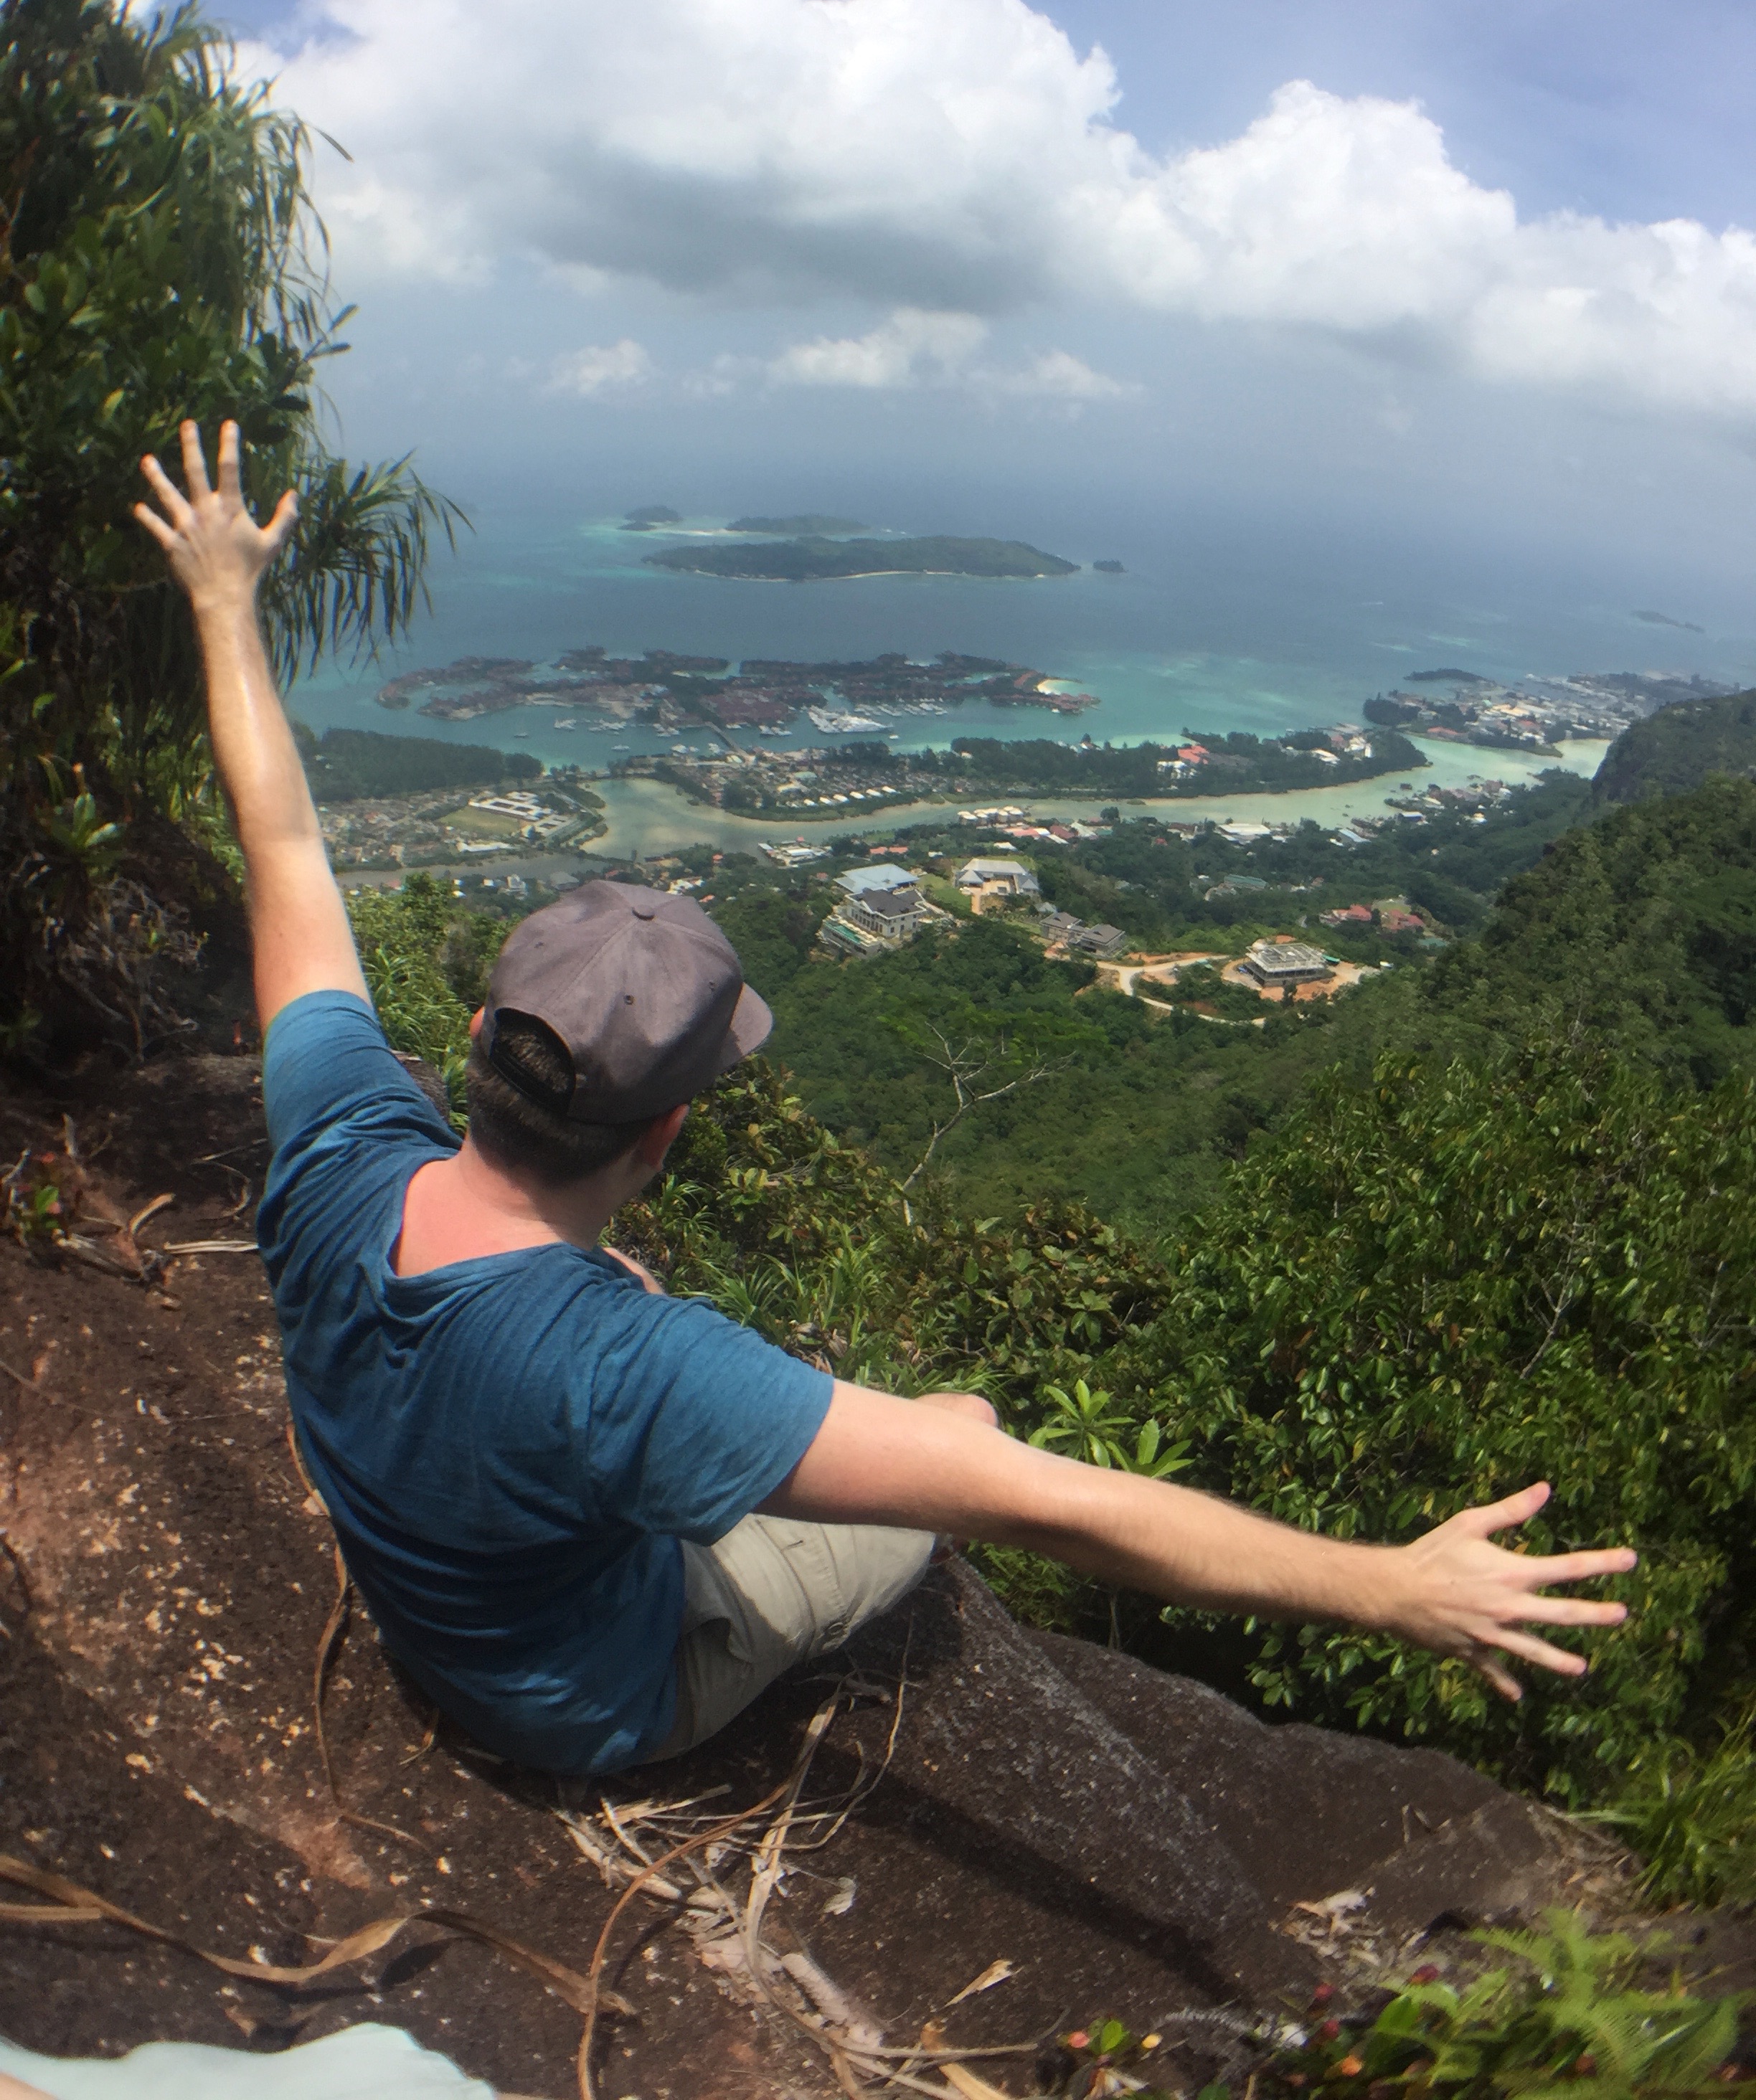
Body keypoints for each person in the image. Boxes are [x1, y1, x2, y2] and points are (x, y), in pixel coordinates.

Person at [136, 421, 1638, 1779]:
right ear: (666, 1131)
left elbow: (285, 849)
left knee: (764, 1404)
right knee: (951, 1438)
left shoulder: (340, 1141)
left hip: (434, 1588)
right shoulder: (622, 1368)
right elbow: (1049, 1503)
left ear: (477, 1038)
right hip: (582, 1699)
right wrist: (1392, 1585)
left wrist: (222, 596)